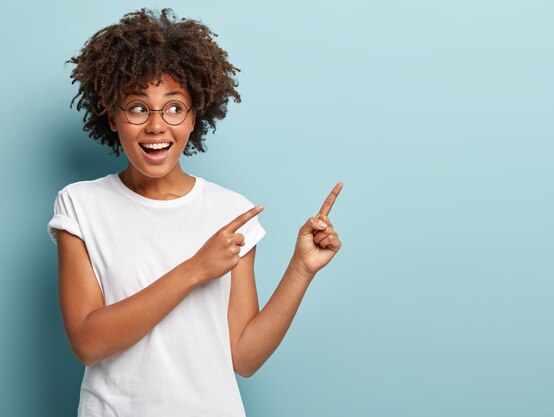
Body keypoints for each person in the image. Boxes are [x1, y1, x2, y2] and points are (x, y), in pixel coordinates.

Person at [47, 8, 342, 417]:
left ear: (193, 117)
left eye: (173, 108)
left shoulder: (231, 212)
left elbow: (244, 358)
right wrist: (195, 269)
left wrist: (301, 269)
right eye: (136, 107)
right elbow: (87, 342)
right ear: (112, 117)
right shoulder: (80, 205)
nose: (155, 125)